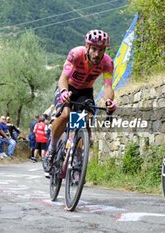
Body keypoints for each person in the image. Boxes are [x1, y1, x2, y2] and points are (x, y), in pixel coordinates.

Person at [46, 29, 117, 170]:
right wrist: (64, 92)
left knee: (86, 120)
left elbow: (107, 86)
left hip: (85, 91)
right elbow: (63, 78)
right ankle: (52, 148)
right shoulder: (76, 54)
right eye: (94, 49)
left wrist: (109, 101)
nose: (97, 54)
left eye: (101, 50)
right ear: (87, 47)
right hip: (68, 88)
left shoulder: (108, 63)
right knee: (65, 115)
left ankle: (78, 159)